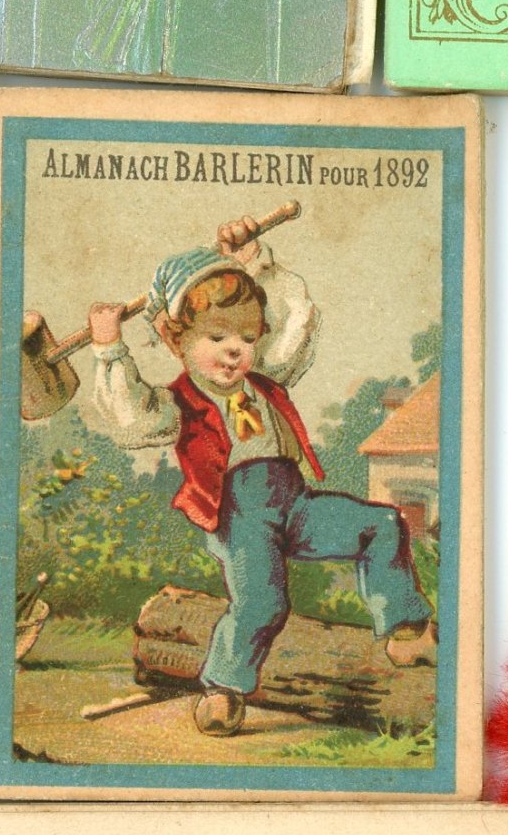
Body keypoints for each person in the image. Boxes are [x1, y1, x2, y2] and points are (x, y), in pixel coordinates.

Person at [81, 219, 433, 735]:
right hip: (238, 518)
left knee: (382, 524)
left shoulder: (264, 380)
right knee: (263, 603)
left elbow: (298, 325)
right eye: (216, 337)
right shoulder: (180, 403)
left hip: (295, 504)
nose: (234, 350)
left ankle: (404, 631)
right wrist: (109, 348)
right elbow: (131, 420)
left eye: (246, 337)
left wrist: (254, 261)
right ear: (176, 339)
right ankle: (223, 689)